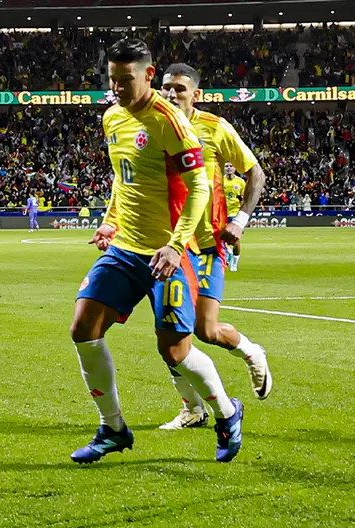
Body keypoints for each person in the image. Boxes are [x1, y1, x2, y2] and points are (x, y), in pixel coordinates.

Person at [70, 39, 244, 465]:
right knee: (83, 328)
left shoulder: (170, 122)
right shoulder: (112, 117)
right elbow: (121, 177)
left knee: (175, 352)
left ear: (149, 75)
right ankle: (112, 428)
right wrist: (110, 218)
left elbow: (200, 186)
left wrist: (175, 243)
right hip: (126, 248)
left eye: (125, 80)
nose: (117, 89)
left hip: (169, 253)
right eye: (112, 80)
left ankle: (226, 412)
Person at [157, 63, 273, 431]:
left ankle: (252, 352)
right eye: (166, 88)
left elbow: (256, 172)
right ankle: (192, 408)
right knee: (170, 334)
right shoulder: (151, 127)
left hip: (207, 245)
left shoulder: (216, 128)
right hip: (169, 246)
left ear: (196, 94)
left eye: (179, 88)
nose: (171, 94)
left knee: (206, 331)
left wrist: (240, 221)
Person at [222, 163, 247, 271]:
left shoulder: (240, 182)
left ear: (235, 168)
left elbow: (245, 200)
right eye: (226, 166)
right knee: (221, 238)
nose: (228, 168)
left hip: (235, 214)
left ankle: (234, 263)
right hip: (221, 214)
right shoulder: (219, 180)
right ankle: (228, 253)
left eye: (231, 166)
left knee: (235, 240)